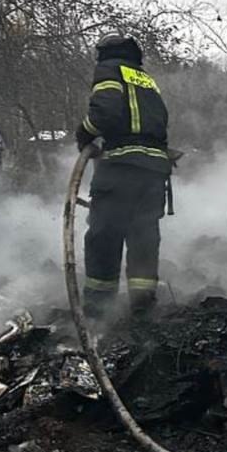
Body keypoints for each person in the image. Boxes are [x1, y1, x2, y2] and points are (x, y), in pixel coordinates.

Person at [74, 32, 172, 319]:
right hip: (154, 171)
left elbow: (105, 112)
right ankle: (142, 306)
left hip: (121, 167)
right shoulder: (145, 80)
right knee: (143, 236)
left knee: (104, 235)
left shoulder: (109, 70)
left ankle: (98, 311)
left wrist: (84, 134)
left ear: (105, 53)